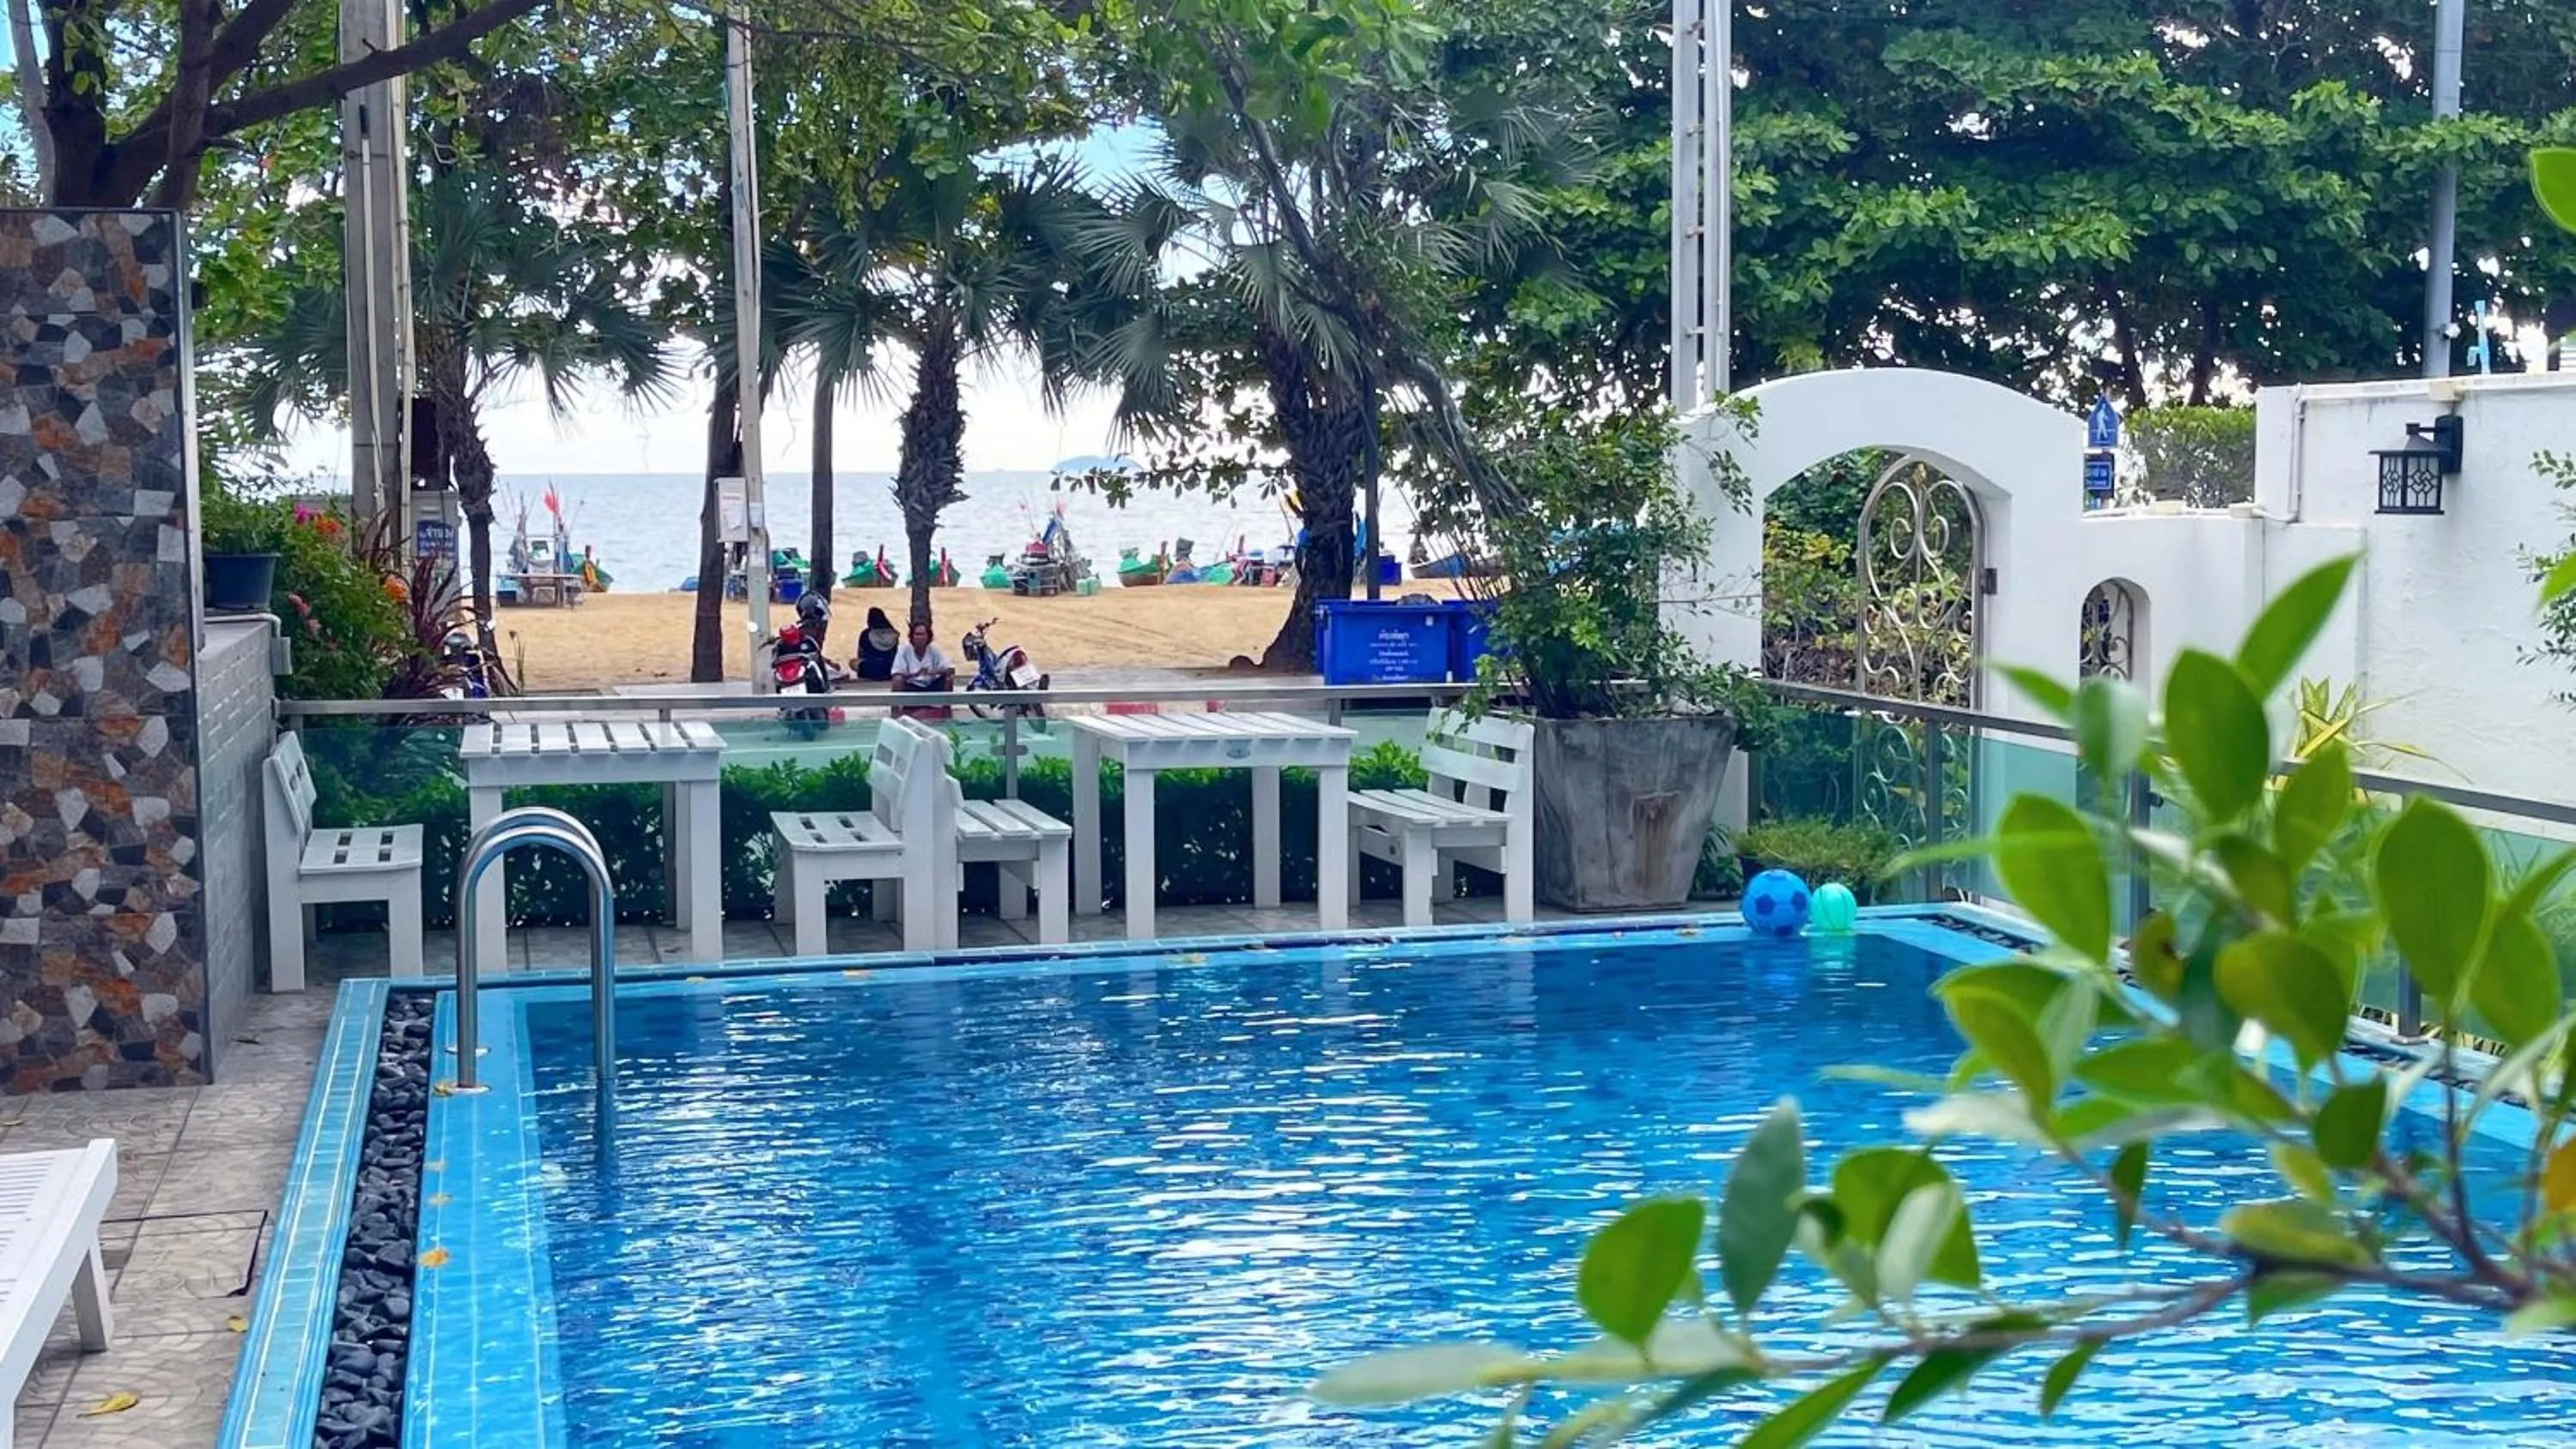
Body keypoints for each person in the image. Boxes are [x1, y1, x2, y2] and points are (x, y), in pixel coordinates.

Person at [890, 618, 954, 720]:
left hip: (930, 686)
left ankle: (947, 710)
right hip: (911, 686)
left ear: (928, 637)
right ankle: (895, 712)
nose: (919, 638)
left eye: (922, 634)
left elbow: (950, 669)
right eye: (917, 634)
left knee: (949, 678)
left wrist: (933, 672)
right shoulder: (904, 651)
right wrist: (915, 674)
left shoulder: (934, 651)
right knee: (897, 680)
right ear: (912, 637)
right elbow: (896, 673)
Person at [854, 607, 900, 681]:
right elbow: (895, 654)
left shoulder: (866, 634)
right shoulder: (893, 634)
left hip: (869, 670)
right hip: (889, 670)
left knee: (853, 662)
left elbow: (860, 654)